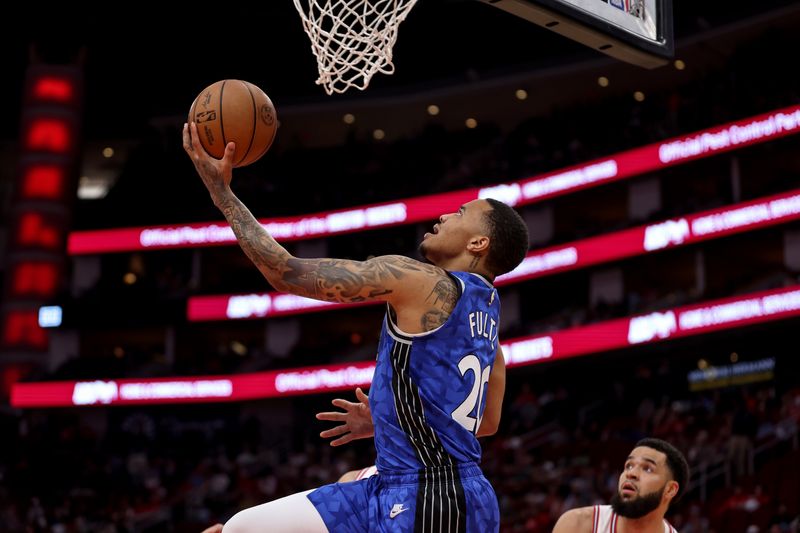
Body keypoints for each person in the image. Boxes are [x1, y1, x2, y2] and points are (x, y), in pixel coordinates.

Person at [183, 123, 529, 533]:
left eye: (460, 213)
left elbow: (287, 273)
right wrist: (393, 418)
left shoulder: (419, 279)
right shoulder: (490, 325)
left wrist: (222, 196)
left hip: (436, 496)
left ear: (478, 244)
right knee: (240, 528)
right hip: (393, 483)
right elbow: (485, 423)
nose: (444, 215)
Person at [553, 438, 690, 533]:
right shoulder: (578, 525)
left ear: (670, 490)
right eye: (628, 466)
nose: (631, 474)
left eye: (647, 468)